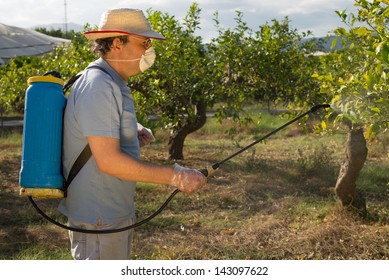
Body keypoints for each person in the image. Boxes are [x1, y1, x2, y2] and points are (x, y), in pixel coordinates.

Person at [58, 8, 207, 260]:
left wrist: (130, 132)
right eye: (144, 42)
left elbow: (96, 136)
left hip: (107, 215)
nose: (148, 50)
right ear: (118, 43)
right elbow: (108, 161)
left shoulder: (111, 82)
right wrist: (176, 176)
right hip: (99, 219)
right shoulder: (99, 85)